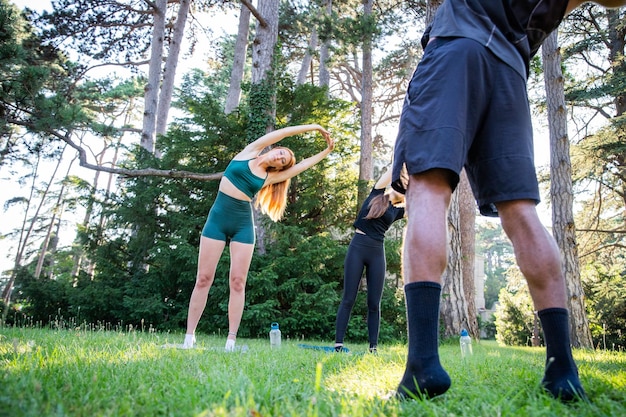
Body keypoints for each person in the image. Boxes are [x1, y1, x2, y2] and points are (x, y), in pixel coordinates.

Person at [390, 0, 626, 403]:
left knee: (427, 188)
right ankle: (562, 371)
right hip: (510, 71)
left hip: (456, 47)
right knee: (521, 212)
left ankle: (422, 365)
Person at [182, 124, 334, 351]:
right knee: (203, 278)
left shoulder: (269, 178)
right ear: (276, 149)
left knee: (238, 282)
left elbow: (301, 166)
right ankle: (189, 337)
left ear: (278, 166)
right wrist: (314, 127)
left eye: (283, 161)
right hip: (217, 221)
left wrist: (326, 151)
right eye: (281, 153)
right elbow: (282, 133)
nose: (280, 157)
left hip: (242, 225)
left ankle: (231, 341)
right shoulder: (249, 152)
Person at [334, 168, 405, 354]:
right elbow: (390, 172)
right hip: (358, 247)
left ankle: (373, 347)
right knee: (348, 298)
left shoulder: (398, 212)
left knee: (374, 303)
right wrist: (402, 159)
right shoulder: (377, 194)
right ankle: (338, 344)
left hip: (377, 252)